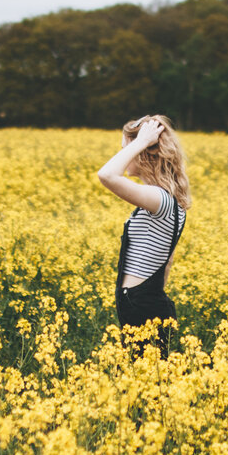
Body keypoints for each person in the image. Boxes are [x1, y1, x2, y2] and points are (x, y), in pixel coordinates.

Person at [96, 114, 191, 356]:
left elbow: (106, 176)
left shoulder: (159, 199)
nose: (121, 153)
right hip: (143, 302)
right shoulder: (164, 201)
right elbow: (166, 263)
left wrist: (139, 141)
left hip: (142, 305)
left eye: (124, 147)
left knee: (149, 385)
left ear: (146, 151)